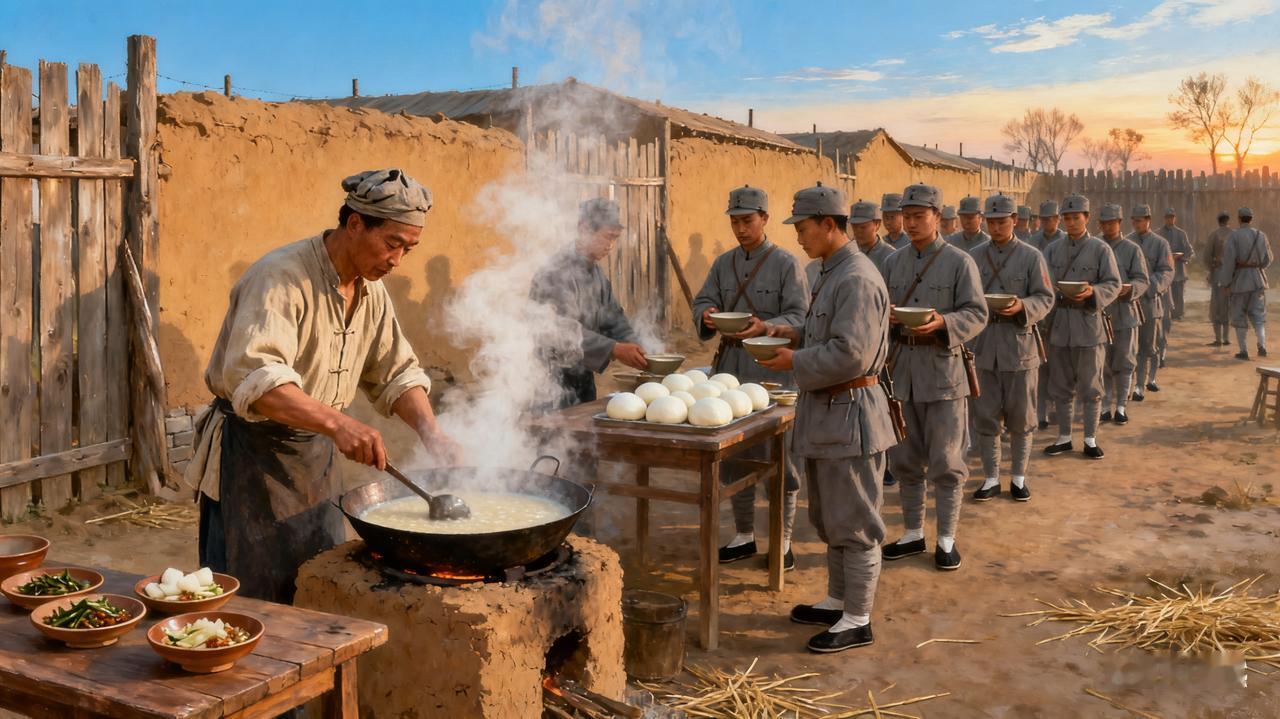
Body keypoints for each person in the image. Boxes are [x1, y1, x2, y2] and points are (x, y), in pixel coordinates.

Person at [189, 168, 463, 604]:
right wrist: (339, 425)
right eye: (391, 244)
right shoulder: (281, 277)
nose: (397, 261)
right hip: (253, 460)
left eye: (408, 250)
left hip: (316, 457)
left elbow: (396, 371)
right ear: (355, 224)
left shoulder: (371, 292)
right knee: (251, 599)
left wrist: (432, 432)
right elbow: (258, 381)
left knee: (314, 583)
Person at [757, 183, 897, 653]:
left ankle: (858, 618)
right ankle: (839, 600)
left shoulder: (855, 276)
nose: (798, 236)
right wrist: (787, 331)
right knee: (831, 516)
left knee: (855, 521)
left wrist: (792, 361)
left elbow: (851, 354)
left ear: (829, 225)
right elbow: (825, 331)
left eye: (802, 227)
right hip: (830, 412)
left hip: (850, 414)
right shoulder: (832, 272)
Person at [692, 186, 807, 570]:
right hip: (730, 370)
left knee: (782, 458)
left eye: (747, 221)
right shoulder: (723, 263)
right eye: (735, 221)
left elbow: (801, 317)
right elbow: (704, 298)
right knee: (734, 456)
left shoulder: (787, 264)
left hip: (773, 370)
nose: (741, 229)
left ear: (765, 219)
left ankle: (784, 541)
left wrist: (768, 326)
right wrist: (707, 313)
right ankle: (743, 535)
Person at [880, 184, 987, 571]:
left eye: (918, 216)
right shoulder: (892, 263)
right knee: (905, 458)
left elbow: (977, 313)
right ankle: (911, 533)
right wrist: (889, 319)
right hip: (902, 372)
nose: (910, 223)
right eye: (905, 216)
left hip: (943, 373)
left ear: (938, 217)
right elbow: (881, 310)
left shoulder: (960, 262)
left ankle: (946, 538)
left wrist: (944, 322)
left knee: (947, 460)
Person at [967, 194, 1054, 502]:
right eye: (990, 222)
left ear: (1015, 220)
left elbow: (1045, 297)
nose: (996, 227)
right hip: (984, 346)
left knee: (1022, 416)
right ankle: (991, 477)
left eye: (1002, 221)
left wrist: (1021, 306)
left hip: (1020, 347)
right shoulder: (974, 257)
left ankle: (1018, 477)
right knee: (986, 416)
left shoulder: (1032, 257)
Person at [530, 198, 648, 407]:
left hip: (582, 377)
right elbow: (560, 330)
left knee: (584, 434)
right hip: (551, 381)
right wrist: (614, 349)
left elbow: (613, 317)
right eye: (607, 237)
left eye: (615, 238)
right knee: (556, 436)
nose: (611, 245)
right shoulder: (557, 272)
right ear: (584, 229)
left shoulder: (597, 274)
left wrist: (636, 344)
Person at [1042, 194, 1122, 460]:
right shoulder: (1052, 250)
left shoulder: (1101, 249)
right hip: (1060, 325)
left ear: (1087, 218)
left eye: (1076, 217)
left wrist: (1092, 292)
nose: (1071, 222)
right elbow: (1043, 285)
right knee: (1061, 385)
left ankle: (1090, 438)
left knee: (1091, 386)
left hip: (1088, 326)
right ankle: (1064, 437)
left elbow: (1113, 284)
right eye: (1067, 218)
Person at [1097, 204, 1150, 425]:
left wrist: (1131, 289)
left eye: (1112, 222)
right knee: (1104, 363)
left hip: (1125, 312)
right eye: (1104, 223)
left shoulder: (1132, 249)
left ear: (1120, 223)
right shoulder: (1094, 247)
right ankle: (1105, 406)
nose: (1108, 226)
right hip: (1100, 314)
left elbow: (1143, 280)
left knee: (1125, 360)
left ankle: (1121, 406)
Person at [1027, 200, 1066, 430]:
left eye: (1051, 218)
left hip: (1063, 311)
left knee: (1059, 365)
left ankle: (1060, 409)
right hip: (1039, 313)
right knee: (1040, 364)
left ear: (1057, 219)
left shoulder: (1065, 242)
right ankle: (1041, 411)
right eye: (1043, 218)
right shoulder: (1032, 242)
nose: (1047, 222)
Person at [1129, 205, 1173, 398]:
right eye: (1134, 220)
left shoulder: (1161, 244)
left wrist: (1148, 286)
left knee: (1150, 345)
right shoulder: (1127, 242)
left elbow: (1167, 271)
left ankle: (1151, 379)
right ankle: (1137, 385)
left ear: (1148, 220)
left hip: (1150, 301)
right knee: (1132, 346)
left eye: (1139, 220)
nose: (1136, 224)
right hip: (1129, 301)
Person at [1217, 207, 1271, 360]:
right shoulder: (1261, 235)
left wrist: (1226, 283)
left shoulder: (1234, 236)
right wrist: (1257, 266)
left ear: (1240, 219)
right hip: (1258, 280)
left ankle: (1244, 351)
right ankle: (1262, 347)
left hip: (1240, 282)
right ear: (1251, 219)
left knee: (1239, 316)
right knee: (1258, 317)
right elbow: (1268, 260)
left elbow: (1228, 263)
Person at [1158, 208, 1194, 322]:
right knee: (1164, 293)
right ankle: (1165, 313)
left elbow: (1189, 251)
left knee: (1178, 293)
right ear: (1165, 219)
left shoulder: (1181, 233)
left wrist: (1182, 257)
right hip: (1163, 270)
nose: (1170, 219)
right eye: (1168, 217)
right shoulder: (1158, 233)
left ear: (1175, 218)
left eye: (1172, 217)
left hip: (1179, 269)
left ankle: (1178, 315)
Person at [1205, 212, 1235, 346]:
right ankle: (1226, 338)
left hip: (1218, 274)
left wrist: (1210, 268)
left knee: (1216, 306)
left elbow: (1206, 256)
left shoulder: (1214, 234)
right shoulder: (1234, 235)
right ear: (1228, 221)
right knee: (1227, 306)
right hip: (1231, 276)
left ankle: (1218, 339)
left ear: (1218, 221)